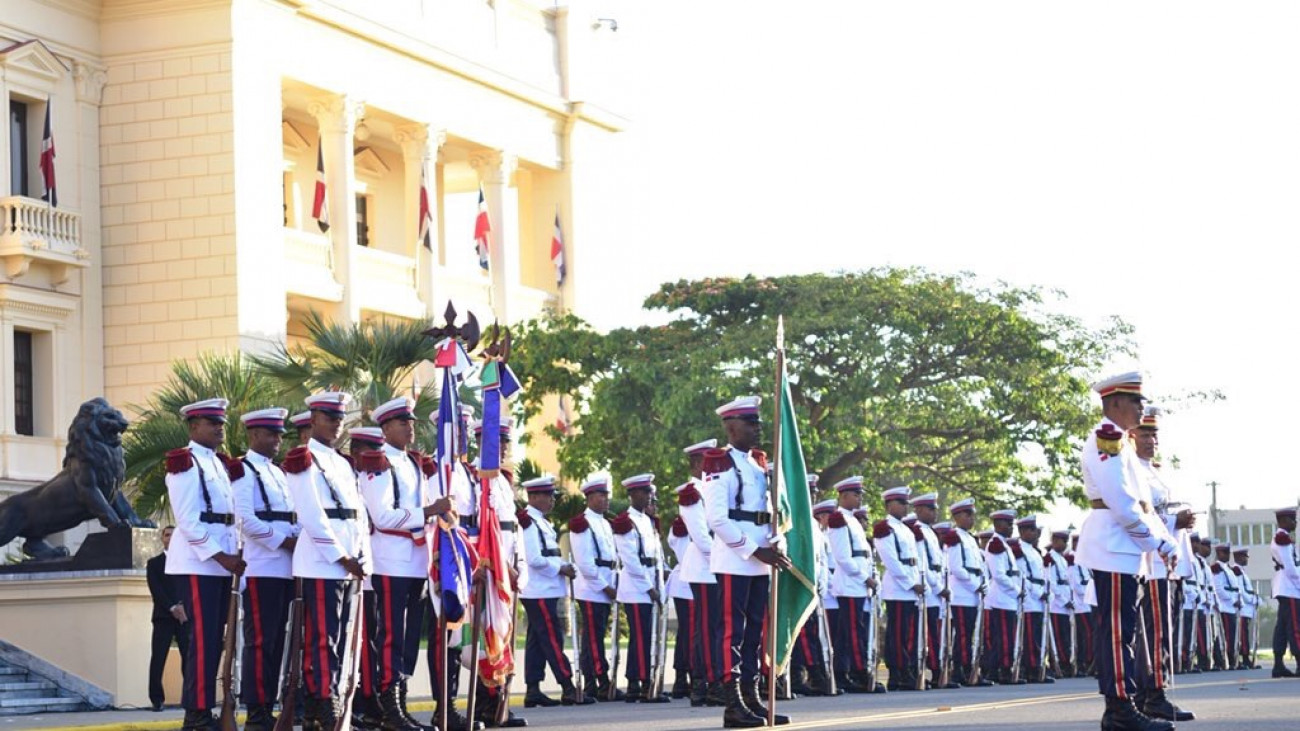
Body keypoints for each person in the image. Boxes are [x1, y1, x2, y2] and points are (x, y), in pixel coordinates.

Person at [1074, 371, 1178, 731]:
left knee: (1123, 630)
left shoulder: (1121, 442)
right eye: (1136, 401)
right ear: (1115, 403)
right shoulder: (1108, 437)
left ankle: (1119, 709)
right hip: (1114, 544)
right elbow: (1121, 502)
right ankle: (1120, 709)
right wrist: (1155, 542)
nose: (1141, 408)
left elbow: (1144, 503)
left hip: (1124, 547)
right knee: (1118, 632)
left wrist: (1163, 540)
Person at [357, 397, 454, 730]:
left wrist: (438, 515)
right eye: (403, 423)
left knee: (409, 639)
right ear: (385, 428)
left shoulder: (413, 462)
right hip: (390, 561)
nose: (410, 428)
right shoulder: (377, 463)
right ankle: (389, 709)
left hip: (416, 562)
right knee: (391, 637)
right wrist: (428, 511)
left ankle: (400, 704)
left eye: (411, 422)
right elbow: (382, 516)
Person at [283, 392, 372, 730]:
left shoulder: (342, 462)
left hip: (348, 563)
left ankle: (324, 702)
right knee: (324, 638)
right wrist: (342, 556)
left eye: (339, 418)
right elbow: (311, 515)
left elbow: (358, 515)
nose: (336, 424)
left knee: (341, 636)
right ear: (313, 420)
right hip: (322, 562)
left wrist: (361, 555)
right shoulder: (302, 459)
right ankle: (323, 699)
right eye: (329, 418)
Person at [701, 396, 792, 728]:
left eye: (758, 423)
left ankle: (752, 699)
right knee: (732, 633)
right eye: (750, 423)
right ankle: (733, 705)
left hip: (760, 558)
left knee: (755, 632)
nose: (757, 429)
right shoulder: (719, 463)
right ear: (731, 427)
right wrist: (754, 550)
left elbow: (768, 512)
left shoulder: (758, 463)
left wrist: (775, 543)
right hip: (735, 559)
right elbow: (717, 519)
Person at [165, 398, 246, 731]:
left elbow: (230, 518)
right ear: (194, 426)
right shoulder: (184, 463)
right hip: (199, 563)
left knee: (215, 640)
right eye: (212, 423)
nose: (219, 428)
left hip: (222, 562)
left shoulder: (219, 464)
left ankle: (203, 710)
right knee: (203, 639)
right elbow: (187, 520)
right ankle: (196, 715)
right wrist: (221, 556)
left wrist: (233, 555)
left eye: (221, 423)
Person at [230, 408, 299, 731]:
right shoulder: (243, 471)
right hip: (262, 567)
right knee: (260, 642)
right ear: (254, 435)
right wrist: (284, 541)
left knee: (277, 644)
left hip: (286, 567)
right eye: (271, 434)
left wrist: (298, 539)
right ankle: (256, 713)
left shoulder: (278, 473)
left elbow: (292, 516)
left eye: (279, 435)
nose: (277, 440)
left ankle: (268, 707)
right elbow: (244, 519)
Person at [1131, 407, 1195, 720]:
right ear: (1130, 436)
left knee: (1157, 631)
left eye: (1154, 435)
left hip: (1166, 560)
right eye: (1144, 434)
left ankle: (1147, 694)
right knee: (1157, 633)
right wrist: (1173, 520)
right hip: (1152, 560)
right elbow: (1139, 514)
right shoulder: (1133, 471)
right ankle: (1155, 694)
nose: (1150, 440)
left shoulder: (1152, 470)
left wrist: (1181, 519)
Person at [517, 475, 590, 707]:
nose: (552, 500)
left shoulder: (541, 521)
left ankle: (533, 689)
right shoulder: (528, 521)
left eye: (552, 496)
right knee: (552, 639)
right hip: (538, 589)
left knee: (537, 640)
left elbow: (550, 554)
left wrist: (565, 566)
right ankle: (568, 687)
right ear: (533, 497)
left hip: (545, 589)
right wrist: (561, 568)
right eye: (547, 496)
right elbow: (534, 559)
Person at [611, 473, 671, 704]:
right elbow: (631, 560)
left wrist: (660, 584)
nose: (649, 497)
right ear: (633, 494)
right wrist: (649, 588)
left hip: (650, 584)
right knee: (641, 637)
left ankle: (636, 683)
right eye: (645, 492)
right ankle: (644, 683)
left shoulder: (648, 520)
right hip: (637, 589)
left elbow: (656, 557)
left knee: (644, 637)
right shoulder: (625, 522)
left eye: (650, 493)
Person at [568, 476, 621, 700]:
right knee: (594, 638)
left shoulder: (605, 523)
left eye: (607, 495)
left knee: (593, 636)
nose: (606, 499)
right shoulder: (583, 524)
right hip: (591, 588)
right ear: (589, 498)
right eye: (601, 495)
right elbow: (585, 563)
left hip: (606, 582)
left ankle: (591, 682)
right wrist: (605, 587)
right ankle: (602, 680)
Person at [676, 440, 720, 706]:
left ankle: (714, 681)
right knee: (705, 629)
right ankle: (702, 684)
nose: (714, 465)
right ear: (696, 464)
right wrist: (720, 562)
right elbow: (702, 537)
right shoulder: (692, 494)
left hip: (717, 567)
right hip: (705, 568)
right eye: (708, 461)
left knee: (715, 628)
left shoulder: (712, 489)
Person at [826, 476, 878, 694]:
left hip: (858, 584)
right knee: (853, 632)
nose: (859, 498)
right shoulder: (838, 519)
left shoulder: (852, 520)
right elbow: (843, 557)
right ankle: (858, 673)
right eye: (856, 495)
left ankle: (845, 673)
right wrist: (864, 577)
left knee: (850, 632)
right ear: (844, 495)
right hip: (850, 584)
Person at [872, 486, 923, 691]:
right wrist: (911, 583)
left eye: (906, 503)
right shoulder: (885, 528)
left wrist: (919, 583)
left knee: (908, 633)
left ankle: (906, 669)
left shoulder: (905, 530)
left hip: (911, 588)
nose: (905, 507)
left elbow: (914, 561)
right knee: (898, 634)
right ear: (889, 505)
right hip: (898, 588)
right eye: (901, 503)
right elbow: (891, 561)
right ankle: (897, 673)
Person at [792, 493, 838, 697]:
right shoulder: (794, 518)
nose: (811, 495)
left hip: (814, 584)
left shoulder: (813, 524)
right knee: (802, 634)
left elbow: (822, 559)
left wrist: (822, 582)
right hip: (800, 583)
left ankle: (815, 675)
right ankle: (806, 674)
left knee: (811, 633)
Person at [941, 499, 989, 687]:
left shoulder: (970, 538)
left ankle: (969, 670)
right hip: (961, 593)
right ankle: (961, 670)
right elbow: (956, 568)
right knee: (962, 636)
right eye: (968, 515)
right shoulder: (954, 537)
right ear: (957, 516)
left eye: (972, 515)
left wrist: (983, 584)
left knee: (970, 635)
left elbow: (980, 567)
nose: (971, 518)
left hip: (973, 594)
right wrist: (975, 585)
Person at [147, 525, 190, 712]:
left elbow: (188, 588)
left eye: (173, 535)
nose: (170, 538)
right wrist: (172, 607)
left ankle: (189, 698)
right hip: (163, 617)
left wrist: (182, 607)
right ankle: (157, 699)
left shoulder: (187, 562)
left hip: (184, 617)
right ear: (162, 538)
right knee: (158, 658)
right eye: (166, 535)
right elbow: (156, 589)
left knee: (188, 657)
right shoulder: (154, 563)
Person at [982, 509, 1023, 686]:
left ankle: (997, 670)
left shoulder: (1003, 544)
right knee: (1005, 638)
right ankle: (1004, 671)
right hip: (1002, 597)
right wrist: (1016, 590)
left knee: (1005, 637)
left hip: (1008, 598)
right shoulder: (996, 544)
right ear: (999, 525)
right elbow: (999, 575)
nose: (1012, 528)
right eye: (1009, 524)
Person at [910, 494, 947, 688]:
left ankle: (937, 671)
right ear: (919, 510)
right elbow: (923, 565)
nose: (935, 513)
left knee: (935, 633)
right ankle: (930, 670)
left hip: (936, 590)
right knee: (927, 634)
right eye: (930, 509)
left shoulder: (930, 532)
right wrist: (939, 588)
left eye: (935, 509)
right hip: (929, 590)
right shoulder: (917, 532)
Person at [1014, 517, 1052, 683]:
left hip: (1039, 598)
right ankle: (1031, 669)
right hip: (1030, 599)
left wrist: (1046, 592)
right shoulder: (1019, 550)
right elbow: (1022, 576)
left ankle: (1038, 666)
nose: (1036, 534)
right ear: (1023, 532)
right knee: (1030, 638)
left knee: (1038, 635)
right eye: (1033, 530)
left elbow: (1041, 576)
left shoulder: (1034, 552)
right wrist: (1038, 593)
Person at [1270, 507, 1300, 678]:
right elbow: (1289, 567)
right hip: (1290, 588)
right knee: (1295, 626)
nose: (1295, 522)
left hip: (1286, 587)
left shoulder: (1285, 538)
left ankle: (1278, 665)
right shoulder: (1282, 538)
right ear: (1282, 521)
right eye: (1292, 519)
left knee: (1282, 628)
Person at [1044, 530, 1076, 679]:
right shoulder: (1050, 558)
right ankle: (1060, 664)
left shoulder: (1062, 559)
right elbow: (1052, 583)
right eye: (1063, 541)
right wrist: (1064, 601)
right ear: (1056, 541)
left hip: (1065, 605)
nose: (1065, 545)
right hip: (1057, 605)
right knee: (1058, 637)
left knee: (1065, 637)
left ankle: (1066, 663)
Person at [1211, 542, 1243, 670]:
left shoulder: (1228, 569)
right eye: (1225, 552)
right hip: (1225, 606)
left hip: (1233, 607)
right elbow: (1219, 589)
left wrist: (1238, 600)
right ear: (1219, 553)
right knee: (1226, 636)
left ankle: (1233, 659)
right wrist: (1232, 600)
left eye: (1228, 552)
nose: (1227, 555)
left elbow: (1236, 587)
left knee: (1233, 635)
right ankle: (1226, 660)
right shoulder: (1217, 568)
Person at [1067, 534, 1095, 677]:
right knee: (1087, 635)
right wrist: (1090, 595)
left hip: (1089, 604)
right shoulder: (1074, 560)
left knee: (1090, 634)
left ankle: (1090, 662)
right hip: (1081, 605)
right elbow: (1076, 585)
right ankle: (1085, 662)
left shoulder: (1085, 560)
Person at [1232, 548, 1260, 669]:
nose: (1246, 559)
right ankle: (1244, 658)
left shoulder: (1242, 571)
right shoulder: (1236, 571)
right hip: (1243, 609)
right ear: (1238, 557)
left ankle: (1246, 658)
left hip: (1248, 610)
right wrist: (1253, 600)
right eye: (1244, 556)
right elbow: (1241, 591)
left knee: (1245, 634)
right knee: (1242, 635)